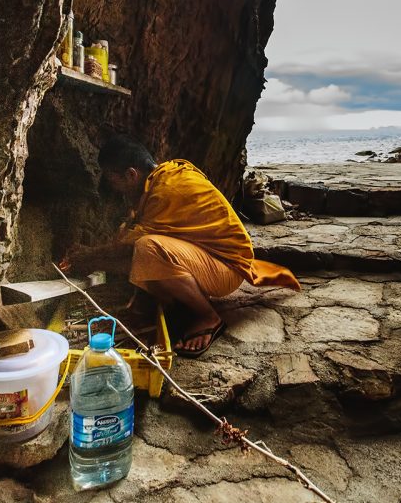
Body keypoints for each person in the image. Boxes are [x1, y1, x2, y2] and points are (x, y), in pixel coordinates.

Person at [65, 135, 300, 357]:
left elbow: (131, 248)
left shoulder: (167, 191)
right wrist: (92, 258)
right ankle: (175, 305)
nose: (111, 186)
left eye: (111, 178)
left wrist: (87, 257)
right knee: (137, 243)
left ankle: (208, 318)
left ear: (131, 174)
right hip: (207, 258)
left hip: (226, 270)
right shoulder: (160, 179)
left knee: (147, 248)